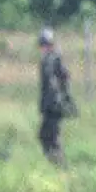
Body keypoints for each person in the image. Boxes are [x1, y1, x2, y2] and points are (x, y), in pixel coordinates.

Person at [37, 28, 73, 165]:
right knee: (45, 135)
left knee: (51, 136)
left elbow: (63, 78)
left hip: (54, 105)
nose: (43, 47)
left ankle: (60, 165)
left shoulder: (53, 58)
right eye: (42, 44)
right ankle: (55, 162)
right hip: (51, 104)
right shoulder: (50, 58)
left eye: (45, 44)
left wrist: (61, 96)